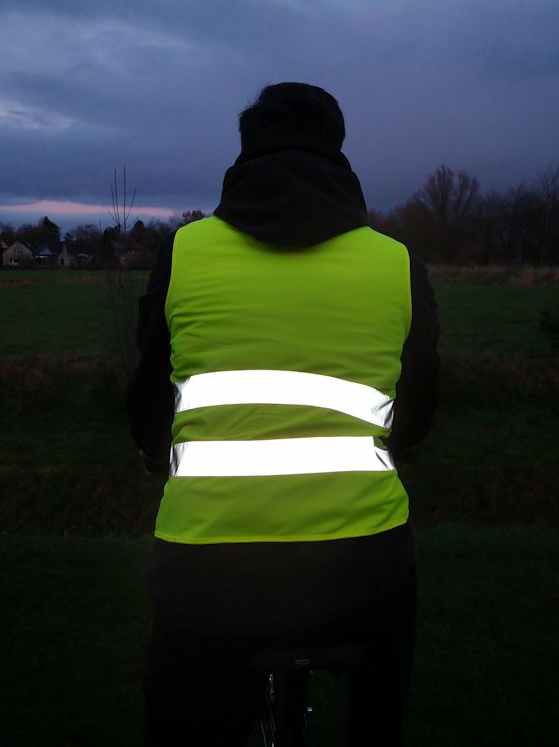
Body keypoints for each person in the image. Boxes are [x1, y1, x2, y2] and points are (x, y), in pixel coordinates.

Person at [127, 82, 439, 747]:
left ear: (244, 151)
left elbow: (148, 401)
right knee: (378, 709)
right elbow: (417, 416)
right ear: (338, 152)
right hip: (362, 574)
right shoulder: (396, 264)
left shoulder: (184, 253)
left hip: (205, 579)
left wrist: (157, 452)